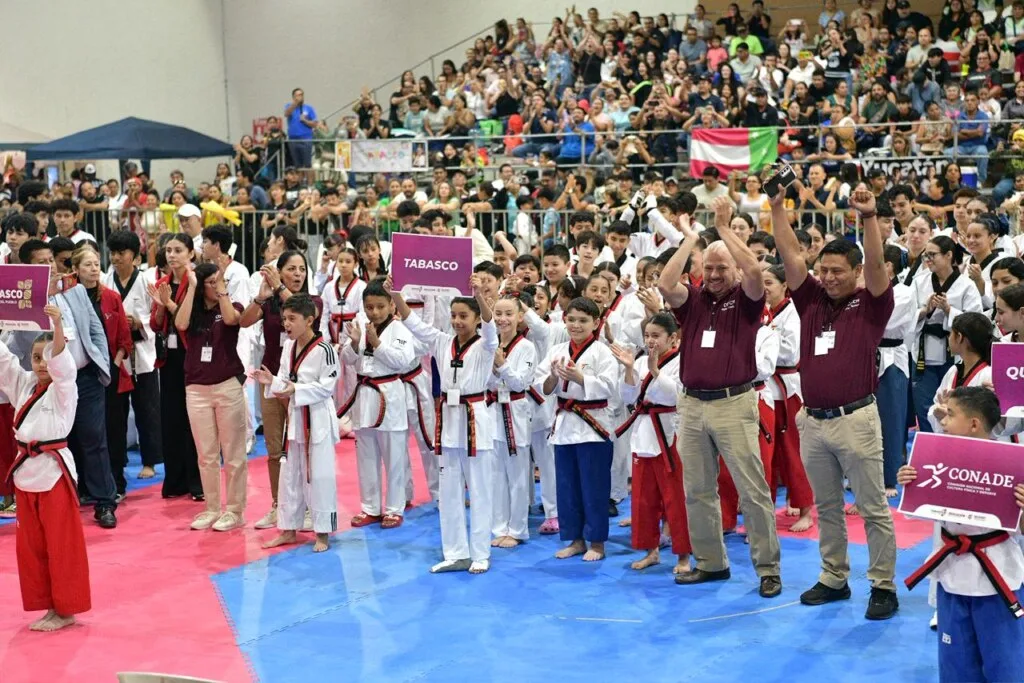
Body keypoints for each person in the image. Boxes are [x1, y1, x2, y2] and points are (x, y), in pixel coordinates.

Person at [769, 180, 899, 620]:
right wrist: (777, 205)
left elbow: (878, 263)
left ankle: (882, 585)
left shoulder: (872, 303)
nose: (827, 277)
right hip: (814, 421)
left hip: (856, 419)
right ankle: (833, 577)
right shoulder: (810, 300)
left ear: (856, 272)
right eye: (823, 270)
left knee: (872, 508)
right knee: (827, 507)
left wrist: (869, 216)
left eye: (837, 271)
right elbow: (789, 254)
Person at [658, 198, 782, 596]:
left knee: (752, 490)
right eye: (708, 268)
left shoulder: (747, 300)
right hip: (692, 404)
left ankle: (768, 569)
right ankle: (711, 563)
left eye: (721, 268)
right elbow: (665, 284)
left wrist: (726, 230)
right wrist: (689, 239)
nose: (713, 275)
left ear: (734, 270)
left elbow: (754, 272)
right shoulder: (693, 299)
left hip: (734, 402)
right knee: (697, 490)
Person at [899, 386, 1024, 683]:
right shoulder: (935, 458)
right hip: (952, 576)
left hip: (998, 578)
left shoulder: (1012, 465)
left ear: (974, 424)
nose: (942, 421)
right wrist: (910, 482)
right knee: (955, 667)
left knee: (1005, 667)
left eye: (950, 414)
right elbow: (917, 509)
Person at [391, 275, 498, 574]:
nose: (457, 321)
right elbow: (413, 323)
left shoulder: (486, 345)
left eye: (464, 316)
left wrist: (479, 295)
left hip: (475, 418)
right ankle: (455, 553)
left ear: (475, 318)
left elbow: (491, 327)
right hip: (449, 420)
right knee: (449, 492)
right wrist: (396, 294)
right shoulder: (441, 341)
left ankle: (480, 553)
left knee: (479, 490)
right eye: (453, 315)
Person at [1, 303, 91, 632]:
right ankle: (48, 606)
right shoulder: (24, 384)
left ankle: (66, 610)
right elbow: (3, 362)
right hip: (25, 473)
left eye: (46, 357)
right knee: (32, 548)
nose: (41, 364)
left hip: (54, 474)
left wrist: (58, 325)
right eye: (36, 358)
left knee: (61, 545)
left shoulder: (64, 389)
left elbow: (62, 366)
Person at [22, 239, 117, 528]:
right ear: (28, 267)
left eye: (50, 260)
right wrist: (40, 299)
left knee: (94, 438)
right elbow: (22, 341)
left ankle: (105, 502)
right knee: (56, 443)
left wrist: (101, 360)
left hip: (85, 375)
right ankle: (66, 499)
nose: (49, 266)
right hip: (49, 383)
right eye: (41, 262)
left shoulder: (74, 289)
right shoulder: (26, 298)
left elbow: (95, 328)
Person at [239, 245, 320, 530]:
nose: (298, 274)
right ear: (280, 272)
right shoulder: (272, 302)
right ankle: (278, 505)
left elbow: (309, 318)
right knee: (274, 449)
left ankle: (308, 507)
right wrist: (261, 297)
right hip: (270, 379)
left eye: (302, 269)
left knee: (303, 446)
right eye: (291, 269)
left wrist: (280, 288)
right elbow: (243, 321)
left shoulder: (312, 302)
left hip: (301, 385)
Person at [253, 294, 339, 552]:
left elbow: (327, 387)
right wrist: (272, 382)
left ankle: (323, 533)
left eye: (292, 319)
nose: (286, 324)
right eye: (284, 319)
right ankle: (288, 529)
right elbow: (284, 379)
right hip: (295, 417)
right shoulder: (289, 347)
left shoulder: (326, 350)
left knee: (319, 476)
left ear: (309, 320)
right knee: (290, 475)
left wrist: (294, 389)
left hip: (318, 418)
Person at [535, 296, 616, 561]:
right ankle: (576, 539)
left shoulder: (603, 352)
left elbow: (609, 387)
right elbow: (543, 387)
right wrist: (553, 376)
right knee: (567, 486)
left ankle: (597, 543)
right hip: (564, 426)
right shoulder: (557, 350)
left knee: (594, 487)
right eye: (571, 320)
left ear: (596, 322)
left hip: (594, 426)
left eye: (583, 320)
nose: (576, 325)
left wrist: (581, 378)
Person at [611, 313, 691, 573]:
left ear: (673, 338)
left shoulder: (683, 361)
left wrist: (656, 371)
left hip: (670, 433)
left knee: (675, 498)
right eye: (647, 335)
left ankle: (683, 556)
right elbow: (628, 397)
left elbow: (677, 397)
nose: (650, 341)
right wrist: (629, 369)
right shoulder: (640, 361)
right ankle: (651, 551)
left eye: (656, 335)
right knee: (643, 498)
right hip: (644, 432)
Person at [175, 260, 248, 532]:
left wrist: (221, 291)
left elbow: (231, 319)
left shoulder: (231, 305)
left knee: (233, 453)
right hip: (196, 388)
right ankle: (212, 508)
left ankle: (235, 510)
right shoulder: (193, 310)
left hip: (227, 385)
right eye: (212, 282)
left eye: (222, 281)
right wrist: (192, 287)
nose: (218, 286)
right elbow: (180, 323)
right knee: (205, 454)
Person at [337, 281, 416, 529]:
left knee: (394, 457)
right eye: (369, 307)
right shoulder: (360, 325)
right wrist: (354, 343)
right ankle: (370, 507)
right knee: (366, 456)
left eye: (380, 306)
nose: (375, 312)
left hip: (389, 393)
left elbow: (402, 362)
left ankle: (394, 508)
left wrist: (377, 344)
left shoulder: (400, 330)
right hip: (365, 395)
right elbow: (347, 360)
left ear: (392, 305)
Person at [71, 245, 133, 503]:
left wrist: (113, 366)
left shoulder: (111, 297)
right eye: (88, 265)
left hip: (110, 371)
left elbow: (124, 338)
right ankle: (85, 486)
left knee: (112, 430)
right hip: (81, 373)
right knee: (83, 433)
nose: (94, 269)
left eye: (97, 264)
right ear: (75, 269)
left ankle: (116, 483)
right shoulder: (68, 297)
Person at [104, 230, 162, 482]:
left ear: (134, 256)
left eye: (121, 253)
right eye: (113, 253)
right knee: (115, 413)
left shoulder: (146, 282)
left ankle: (149, 461)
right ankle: (118, 461)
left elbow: (157, 316)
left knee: (147, 410)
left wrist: (140, 322)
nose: (116, 258)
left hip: (142, 355)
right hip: (116, 357)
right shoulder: (105, 281)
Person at [149, 234, 203, 502]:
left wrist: (169, 304)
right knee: (171, 418)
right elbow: (155, 324)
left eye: (178, 250)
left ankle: (197, 482)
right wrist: (161, 308)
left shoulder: (198, 281)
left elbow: (189, 321)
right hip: (168, 358)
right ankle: (175, 481)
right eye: (168, 250)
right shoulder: (161, 283)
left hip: (192, 355)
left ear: (191, 253)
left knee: (194, 419)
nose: (172, 255)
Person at [911, 235, 983, 433]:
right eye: (926, 255)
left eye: (932, 255)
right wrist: (924, 311)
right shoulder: (919, 282)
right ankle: (929, 443)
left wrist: (949, 310)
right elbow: (908, 316)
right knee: (924, 407)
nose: (928, 260)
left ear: (949, 255)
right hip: (923, 354)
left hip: (954, 354)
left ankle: (952, 444)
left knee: (955, 406)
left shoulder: (966, 285)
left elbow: (976, 321)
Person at [762, 265, 814, 531]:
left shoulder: (793, 313)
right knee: (766, 455)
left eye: (769, 282)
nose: (764, 288)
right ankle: (765, 512)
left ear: (785, 286)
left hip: (787, 390)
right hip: (764, 390)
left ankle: (805, 509)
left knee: (793, 450)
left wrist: (766, 338)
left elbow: (791, 353)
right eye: (761, 282)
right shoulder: (760, 312)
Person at [487, 294, 537, 548]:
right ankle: (499, 527)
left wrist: (501, 365)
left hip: (515, 413)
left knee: (517, 476)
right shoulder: (488, 343)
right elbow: (485, 381)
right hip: (491, 411)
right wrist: (494, 371)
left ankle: (517, 529)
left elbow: (520, 383)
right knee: (496, 475)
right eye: (498, 314)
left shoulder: (527, 347)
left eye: (508, 314)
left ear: (520, 317)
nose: (502, 319)